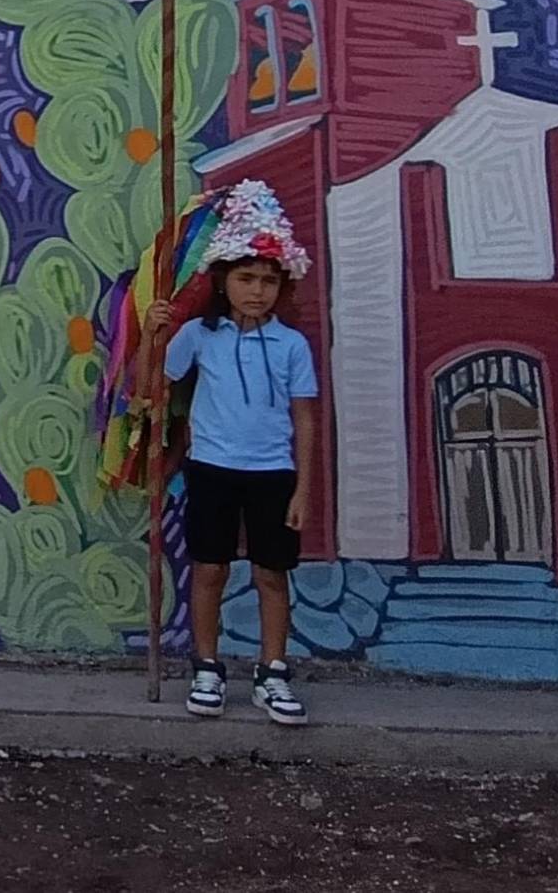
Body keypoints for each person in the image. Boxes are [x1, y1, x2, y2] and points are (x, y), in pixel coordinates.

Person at [144, 179, 317, 726]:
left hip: (273, 475)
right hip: (211, 470)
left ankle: (272, 672)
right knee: (209, 569)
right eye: (246, 278)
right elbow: (156, 386)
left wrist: (303, 490)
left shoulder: (292, 345)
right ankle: (208, 667)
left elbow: (305, 418)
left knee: (272, 574)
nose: (257, 291)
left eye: (268, 280)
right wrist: (152, 335)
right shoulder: (199, 334)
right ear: (223, 280)